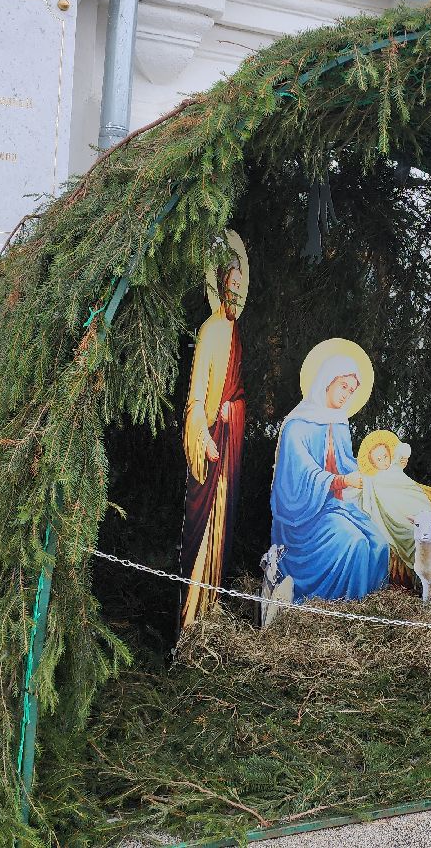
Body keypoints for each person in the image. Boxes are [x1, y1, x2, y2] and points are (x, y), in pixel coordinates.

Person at [269, 345, 390, 602]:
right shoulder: (296, 427)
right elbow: (300, 475)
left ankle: (367, 610)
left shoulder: (340, 424)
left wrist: (366, 479)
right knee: (355, 544)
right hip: (305, 517)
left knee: (380, 545)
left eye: (351, 390)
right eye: (343, 386)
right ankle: (343, 609)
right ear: (327, 381)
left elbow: (347, 466)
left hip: (335, 507)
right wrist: (341, 480)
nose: (347, 394)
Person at [179, 231, 247, 629]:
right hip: (209, 444)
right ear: (221, 285)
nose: (236, 293)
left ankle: (211, 604)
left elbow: (239, 394)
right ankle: (190, 612)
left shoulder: (237, 334)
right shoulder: (210, 331)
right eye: (232, 285)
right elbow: (195, 399)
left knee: (224, 525)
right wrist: (202, 436)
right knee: (201, 525)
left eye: (241, 287)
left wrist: (234, 408)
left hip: (229, 441)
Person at [354, 430, 431, 581]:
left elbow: (405, 450)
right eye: (379, 459)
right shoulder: (373, 480)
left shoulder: (394, 467)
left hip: (411, 500)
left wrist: (399, 454)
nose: (384, 461)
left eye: (385, 456)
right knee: (411, 529)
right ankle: (421, 577)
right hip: (394, 513)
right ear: (372, 463)